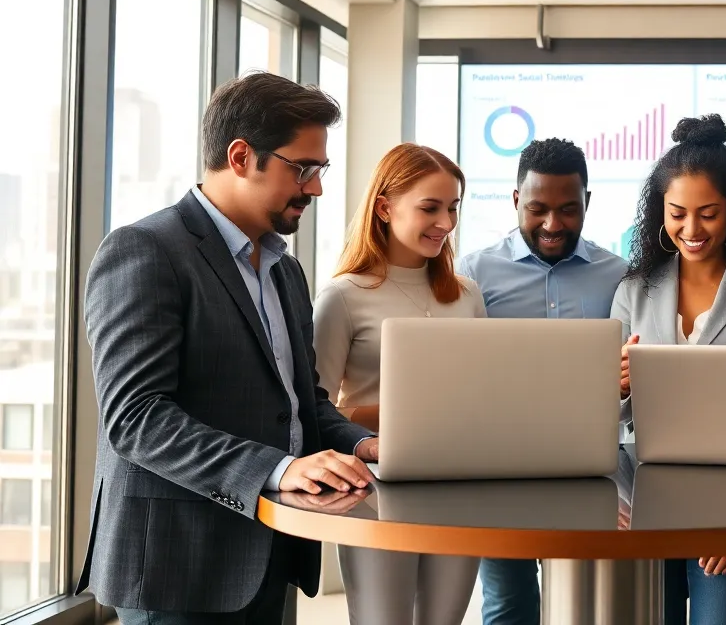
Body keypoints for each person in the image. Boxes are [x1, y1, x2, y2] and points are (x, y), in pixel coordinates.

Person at [79, 72, 378, 625]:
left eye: (322, 170)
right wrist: (280, 468)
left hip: (272, 546)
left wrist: (367, 446)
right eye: (303, 168)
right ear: (241, 156)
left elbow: (299, 400)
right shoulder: (145, 250)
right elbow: (136, 419)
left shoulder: (285, 270)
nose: (315, 187)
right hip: (176, 566)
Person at [612, 114, 726, 625]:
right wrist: (614, 386)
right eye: (677, 214)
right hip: (645, 502)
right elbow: (607, 415)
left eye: (709, 214)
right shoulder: (634, 290)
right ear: (660, 214)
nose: (691, 230)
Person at [457, 137, 626, 625]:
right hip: (499, 471)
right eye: (537, 209)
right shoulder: (472, 274)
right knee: (510, 607)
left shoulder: (618, 276)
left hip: (594, 471)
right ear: (515, 202)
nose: (553, 225)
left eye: (568, 209)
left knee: (592, 607)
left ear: (588, 204)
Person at [314, 143, 483, 625]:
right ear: (385, 207)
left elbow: (483, 392)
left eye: (453, 208)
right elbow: (316, 407)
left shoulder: (467, 294)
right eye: (430, 208)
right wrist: (396, 418)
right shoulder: (343, 296)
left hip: (458, 485)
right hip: (375, 489)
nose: (447, 223)